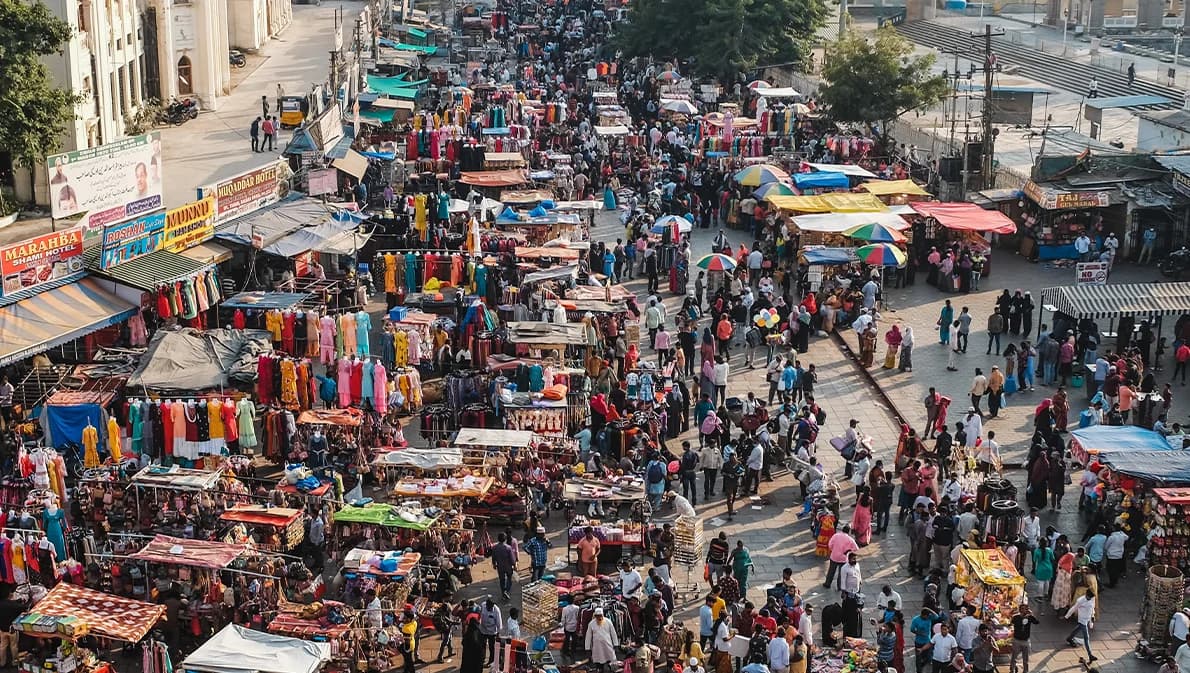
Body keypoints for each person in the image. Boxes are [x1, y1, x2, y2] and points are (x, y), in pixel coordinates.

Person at [1065, 589, 1098, 662]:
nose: (1089, 599)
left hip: (1087, 619)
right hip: (1082, 620)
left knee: (1078, 628)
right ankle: (1090, 655)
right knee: (1086, 637)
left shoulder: (1092, 598)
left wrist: (1092, 617)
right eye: (1088, 597)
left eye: (1090, 597)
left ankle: (1069, 638)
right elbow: (1074, 608)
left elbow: (1092, 608)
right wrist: (1067, 616)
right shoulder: (1080, 600)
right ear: (1086, 594)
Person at [587, 607, 621, 672]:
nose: (599, 618)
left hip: (607, 645)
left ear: (603, 615)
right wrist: (588, 648)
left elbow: (613, 633)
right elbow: (588, 637)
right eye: (597, 616)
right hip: (597, 647)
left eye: (600, 616)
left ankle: (611, 667)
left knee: (610, 657)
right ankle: (599, 668)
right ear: (595, 616)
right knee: (598, 659)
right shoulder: (591, 624)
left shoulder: (608, 621)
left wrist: (616, 644)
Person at [1009, 603, 1039, 673]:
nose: (1024, 610)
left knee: (1025, 659)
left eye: (1025, 609)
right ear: (1019, 610)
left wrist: (1032, 615)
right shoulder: (1016, 617)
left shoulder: (1030, 617)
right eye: (1022, 609)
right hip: (1017, 640)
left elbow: (1036, 622)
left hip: (1026, 641)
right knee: (1014, 657)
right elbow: (1011, 623)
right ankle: (1012, 670)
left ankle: (1025, 671)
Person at [490, 533, 516, 600]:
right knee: (509, 579)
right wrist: (514, 565)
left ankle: (503, 592)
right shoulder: (508, 548)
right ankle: (506, 591)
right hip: (508, 567)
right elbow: (512, 559)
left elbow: (493, 557)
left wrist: (494, 564)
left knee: (502, 580)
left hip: (500, 566)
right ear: (505, 539)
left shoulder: (495, 548)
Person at [478, 598, 502, 664]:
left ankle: (491, 661)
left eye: (491, 607)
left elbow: (499, 623)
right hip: (483, 630)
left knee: (492, 647)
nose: (489, 608)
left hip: (492, 632)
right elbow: (479, 615)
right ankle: (482, 659)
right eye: (488, 607)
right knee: (482, 645)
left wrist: (498, 634)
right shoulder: (483, 605)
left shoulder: (496, 610)